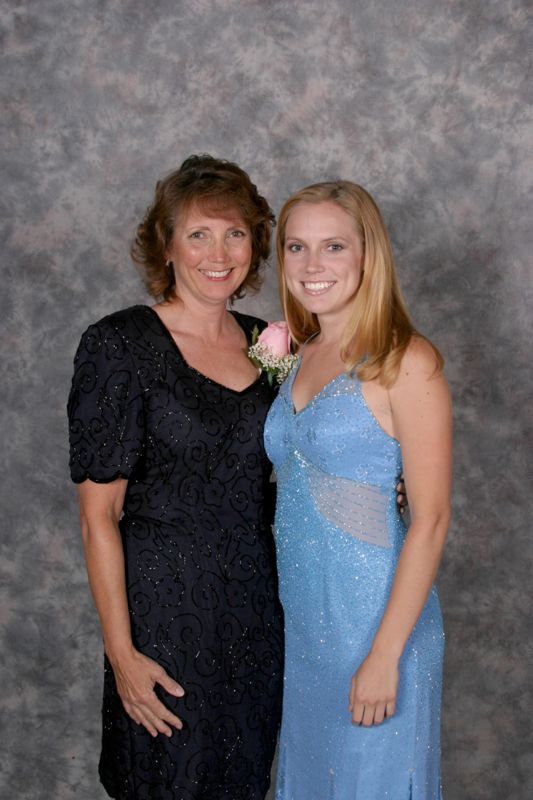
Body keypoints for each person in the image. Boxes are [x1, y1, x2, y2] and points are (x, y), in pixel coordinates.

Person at [67, 155, 284, 800]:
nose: (219, 252)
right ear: (166, 245)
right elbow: (97, 517)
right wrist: (122, 656)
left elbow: (307, 464)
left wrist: (384, 483)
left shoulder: (271, 345)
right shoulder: (118, 345)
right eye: (198, 234)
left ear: (254, 245)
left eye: (235, 233)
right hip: (162, 614)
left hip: (257, 610)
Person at [263, 181, 452, 799]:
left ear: (368, 256)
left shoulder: (405, 361)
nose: (312, 266)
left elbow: (430, 520)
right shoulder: (297, 354)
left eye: (333, 246)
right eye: (297, 247)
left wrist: (384, 655)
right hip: (306, 630)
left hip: (377, 630)